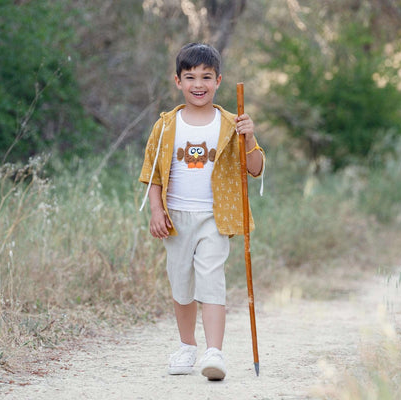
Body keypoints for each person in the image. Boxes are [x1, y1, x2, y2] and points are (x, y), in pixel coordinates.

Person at [138, 43, 264, 381]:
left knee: (211, 281)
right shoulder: (165, 125)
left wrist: (249, 137)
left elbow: (254, 168)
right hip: (176, 218)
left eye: (206, 77)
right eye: (190, 76)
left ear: (218, 80)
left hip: (215, 217)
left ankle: (214, 353)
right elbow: (153, 174)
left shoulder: (230, 123)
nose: (198, 84)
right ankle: (187, 346)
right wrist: (155, 210)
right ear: (177, 81)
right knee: (181, 285)